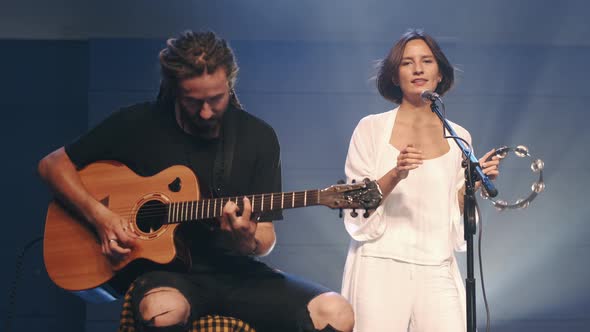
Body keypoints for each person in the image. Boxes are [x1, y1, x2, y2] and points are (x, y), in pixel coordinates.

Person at [38, 30, 354, 332]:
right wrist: (101, 217)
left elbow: (266, 237)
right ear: (174, 89)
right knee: (162, 311)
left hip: (239, 275)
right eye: (193, 101)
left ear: (230, 84)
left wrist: (245, 239)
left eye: (216, 99)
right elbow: (52, 165)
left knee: (335, 313)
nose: (205, 112)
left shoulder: (258, 137)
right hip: (168, 277)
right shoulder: (137, 124)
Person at [340, 29, 500, 332]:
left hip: (436, 265)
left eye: (426, 61)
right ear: (394, 75)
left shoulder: (459, 137)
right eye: (407, 63)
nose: (417, 69)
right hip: (381, 264)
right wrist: (395, 173)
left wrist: (472, 186)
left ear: (440, 73)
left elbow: (453, 217)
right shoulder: (370, 129)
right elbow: (354, 207)